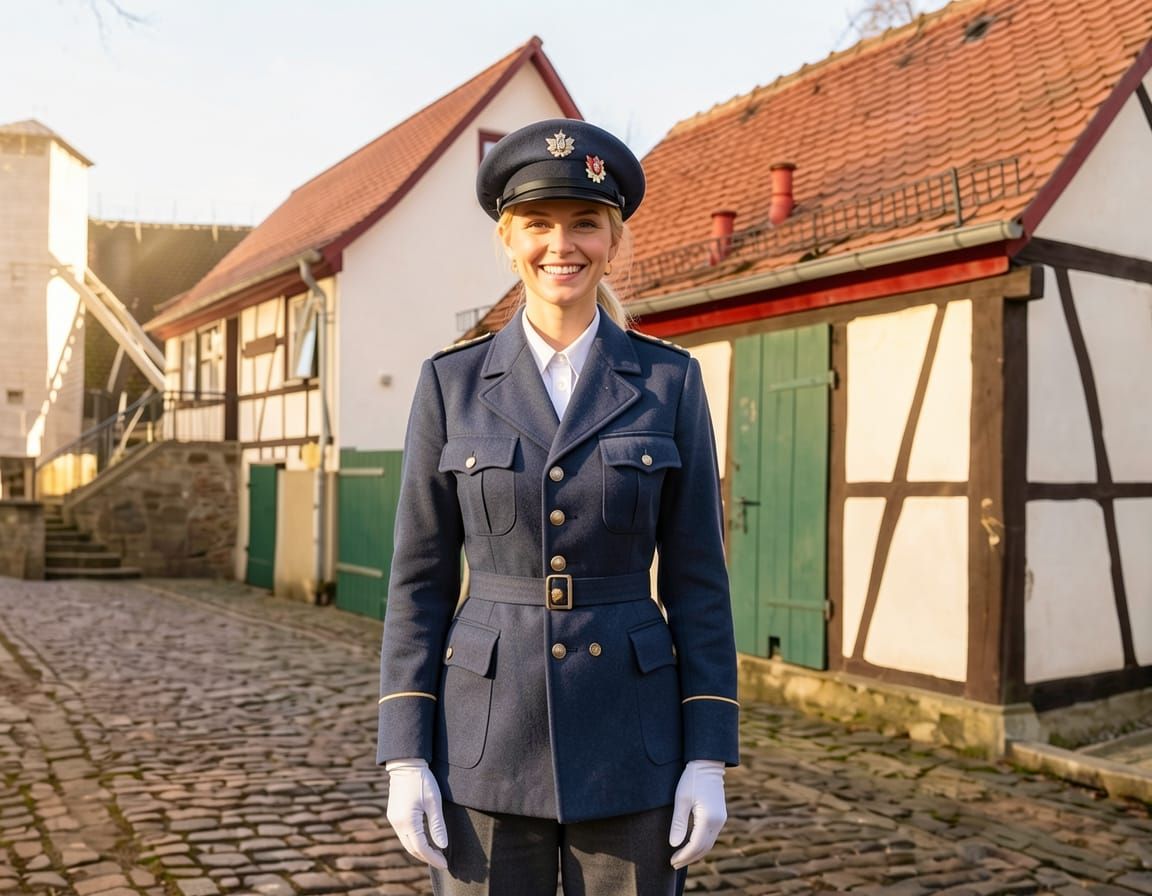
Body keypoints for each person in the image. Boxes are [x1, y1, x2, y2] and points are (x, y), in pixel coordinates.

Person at [376, 118, 739, 896]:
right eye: (537, 224)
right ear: (508, 240)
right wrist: (405, 751)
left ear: (613, 238)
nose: (560, 245)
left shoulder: (668, 383)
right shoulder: (453, 385)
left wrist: (707, 750)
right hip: (485, 739)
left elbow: (698, 580)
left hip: (633, 738)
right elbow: (419, 581)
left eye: (584, 223)